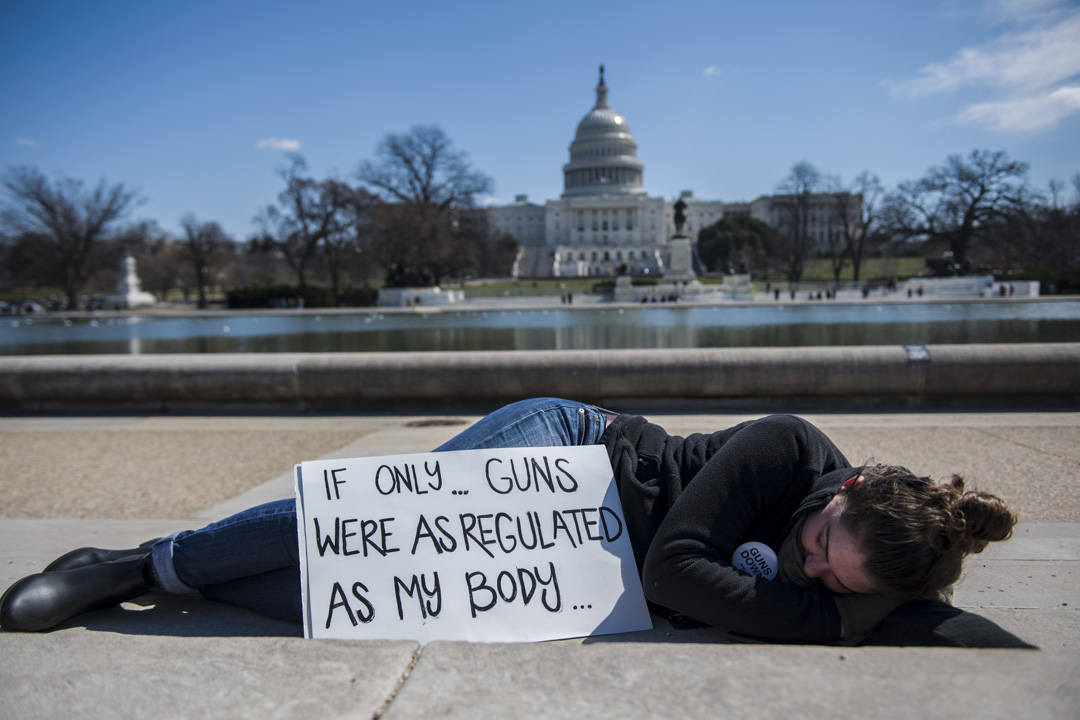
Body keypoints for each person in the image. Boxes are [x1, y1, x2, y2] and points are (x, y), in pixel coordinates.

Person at [0, 398, 1030, 647]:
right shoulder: (787, 445)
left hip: (585, 561)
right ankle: (136, 563)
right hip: (561, 457)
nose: (811, 573)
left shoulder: (883, 560)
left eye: (837, 587)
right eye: (819, 548)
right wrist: (812, 617)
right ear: (844, 494)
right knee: (364, 533)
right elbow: (674, 571)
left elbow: (951, 630)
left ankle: (176, 582)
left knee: (353, 605)